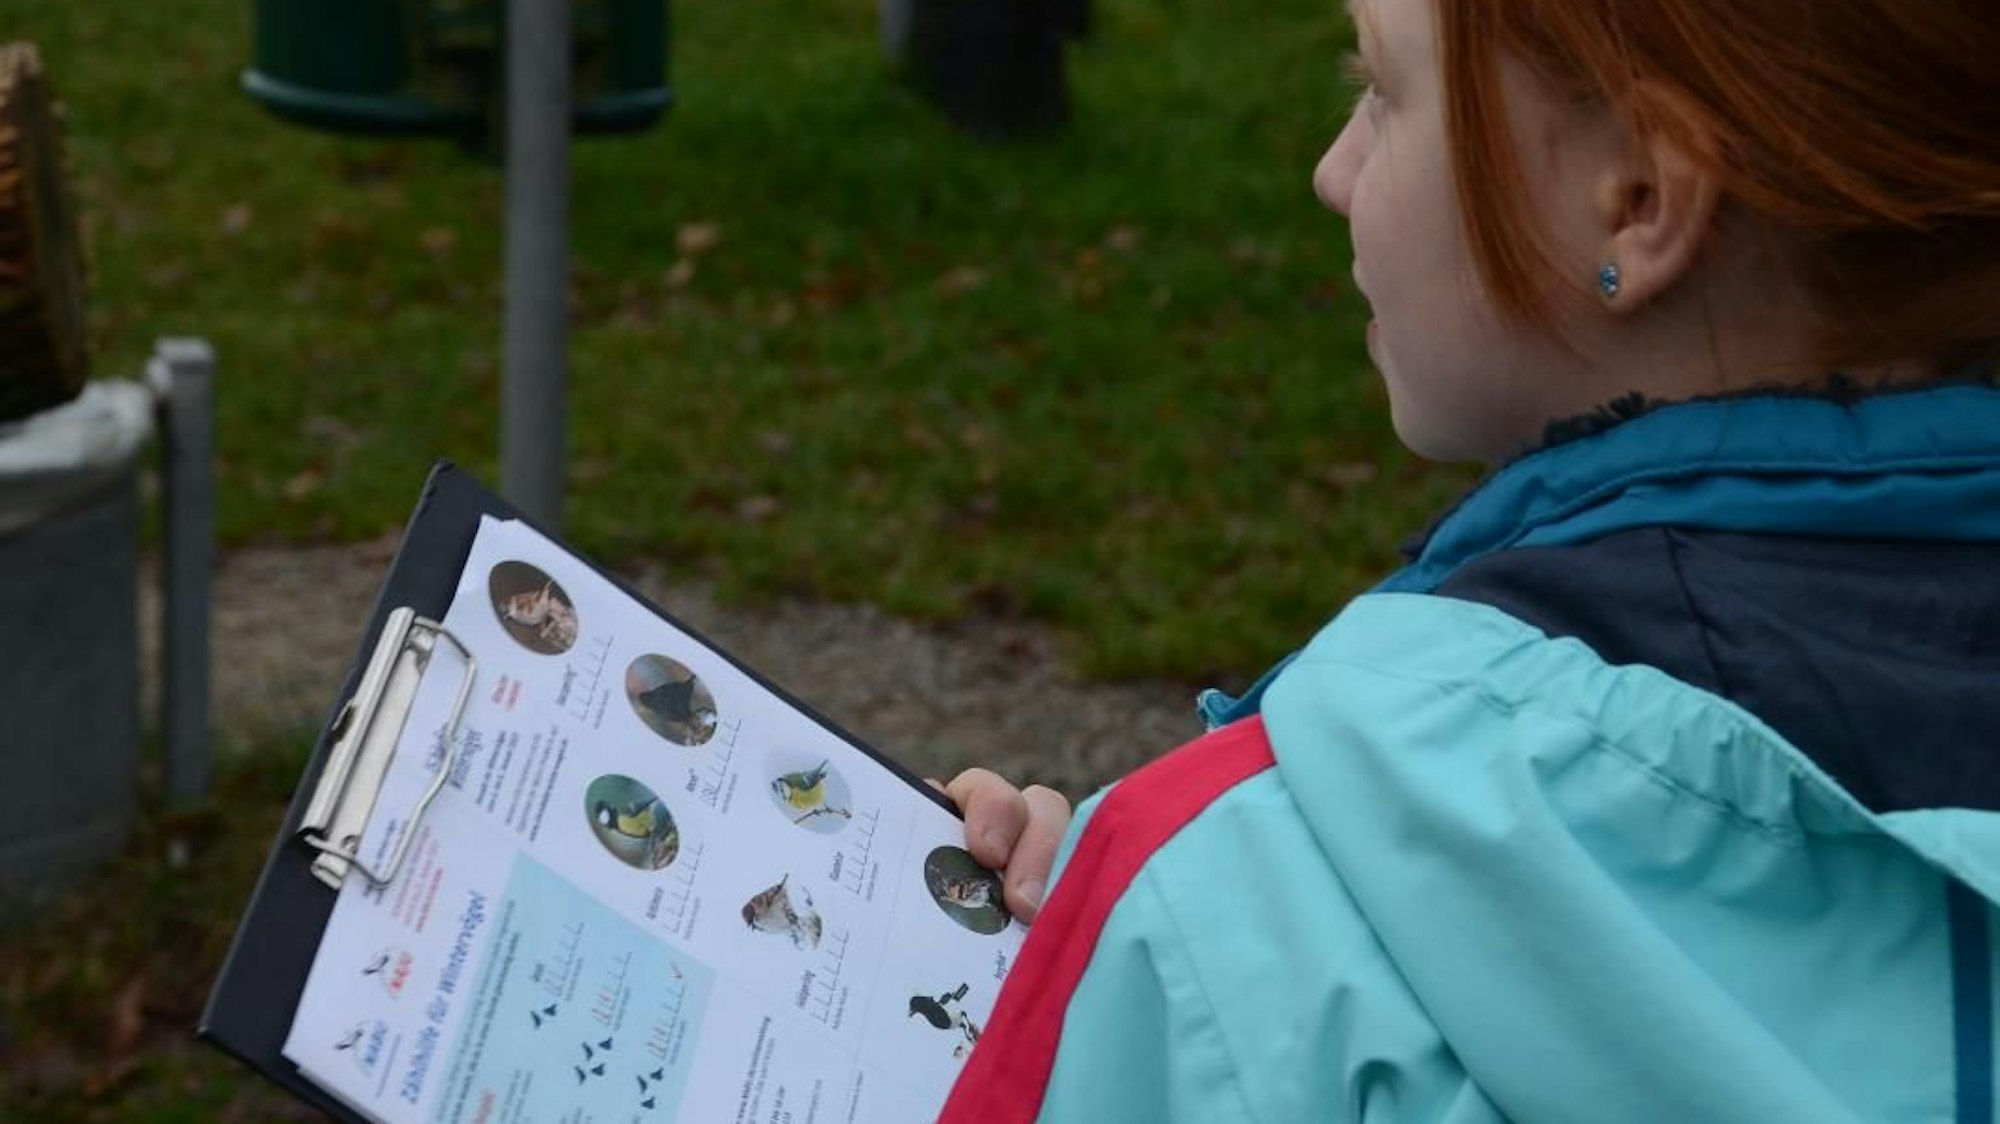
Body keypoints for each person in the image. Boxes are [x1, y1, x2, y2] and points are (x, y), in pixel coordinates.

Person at [933, 0, 2000, 1120]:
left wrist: (1125, 945)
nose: (1330, 173)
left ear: (1636, 200)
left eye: (1381, 93)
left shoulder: (1262, 914)